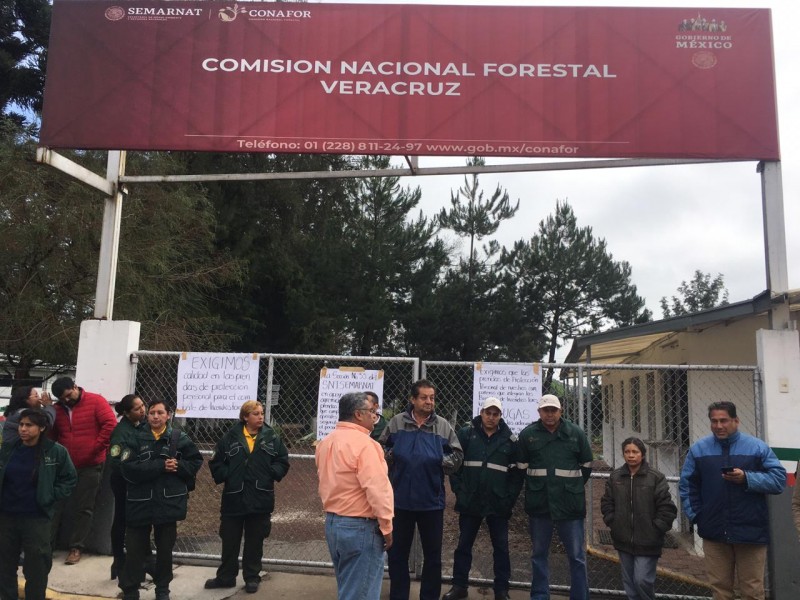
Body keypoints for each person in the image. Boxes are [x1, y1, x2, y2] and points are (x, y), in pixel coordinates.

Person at [679, 401, 785, 600]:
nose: (719, 426)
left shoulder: (757, 448)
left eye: (724, 421)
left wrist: (747, 478)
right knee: (720, 590)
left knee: (752, 590)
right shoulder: (698, 450)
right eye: (714, 421)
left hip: (750, 531)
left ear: (736, 421)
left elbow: (779, 481)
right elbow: (687, 486)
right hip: (714, 532)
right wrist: (698, 516)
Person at [379, 379, 463, 600]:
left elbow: (457, 455)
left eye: (432, 398)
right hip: (400, 502)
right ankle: (398, 596)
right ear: (412, 399)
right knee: (397, 555)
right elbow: (381, 448)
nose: (429, 402)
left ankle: (429, 596)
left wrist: (438, 460)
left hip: (431, 502)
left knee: (433, 557)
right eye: (424, 397)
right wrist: (391, 456)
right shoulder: (396, 423)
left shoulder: (443, 426)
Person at [117, 400, 203, 600]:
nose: (155, 416)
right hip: (140, 504)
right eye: (152, 413)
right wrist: (159, 466)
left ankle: (162, 589)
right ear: (147, 416)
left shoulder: (179, 438)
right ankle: (130, 589)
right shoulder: (135, 438)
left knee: (165, 551)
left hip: (168, 504)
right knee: (134, 549)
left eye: (160, 412)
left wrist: (179, 466)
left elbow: (196, 461)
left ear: (168, 415)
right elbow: (127, 468)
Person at [205, 400, 290, 593]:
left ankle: (252, 577)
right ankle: (226, 576)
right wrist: (229, 474)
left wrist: (271, 473)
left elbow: (282, 461)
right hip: (234, 498)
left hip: (260, 498)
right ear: (245, 417)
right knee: (229, 539)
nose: (261, 417)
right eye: (256, 414)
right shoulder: (231, 437)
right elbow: (216, 462)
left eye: (262, 413)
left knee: (255, 540)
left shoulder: (271, 437)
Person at [316, 392, 394, 600]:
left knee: (349, 588)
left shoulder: (326, 442)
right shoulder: (366, 445)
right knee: (362, 593)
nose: (375, 416)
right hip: (361, 527)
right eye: (372, 412)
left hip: (334, 524)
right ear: (358, 414)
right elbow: (377, 489)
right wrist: (386, 526)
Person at [443, 397, 522, 600]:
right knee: (463, 546)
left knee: (501, 548)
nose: (491, 417)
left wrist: (508, 499)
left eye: (495, 414)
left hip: (498, 503)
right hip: (471, 501)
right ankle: (459, 586)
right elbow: (455, 465)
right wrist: (460, 490)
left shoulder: (509, 440)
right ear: (481, 413)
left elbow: (516, 474)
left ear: (500, 416)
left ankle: (501, 590)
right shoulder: (466, 434)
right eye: (488, 413)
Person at [517, 393, 593, 600]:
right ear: (539, 412)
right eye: (546, 410)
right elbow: (522, 467)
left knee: (577, 556)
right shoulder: (528, 435)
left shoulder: (575, 433)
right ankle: (540, 595)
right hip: (540, 504)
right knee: (539, 554)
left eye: (553, 410)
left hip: (570, 505)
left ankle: (579, 596)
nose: (550, 414)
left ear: (561, 411)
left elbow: (586, 465)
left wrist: (570, 486)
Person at [0, 408, 77, 600]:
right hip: (7, 516)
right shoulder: (9, 449)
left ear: (42, 428)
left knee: (37, 566)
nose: (23, 429)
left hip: (36, 517)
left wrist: (50, 495)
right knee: (4, 564)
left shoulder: (55, 451)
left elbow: (69, 479)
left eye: (29, 425)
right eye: (21, 424)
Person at [49, 376, 117, 564]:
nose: (67, 400)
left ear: (75, 387)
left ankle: (76, 547)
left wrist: (95, 448)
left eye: (69, 395)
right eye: (62, 399)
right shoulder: (58, 409)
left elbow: (110, 425)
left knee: (84, 507)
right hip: (64, 465)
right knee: (55, 505)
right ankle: (47, 545)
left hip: (91, 464)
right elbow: (52, 433)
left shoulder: (96, 401)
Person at [600, 437, 677, 600]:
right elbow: (607, 502)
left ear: (642, 454)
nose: (631, 455)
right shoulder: (615, 477)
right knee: (629, 583)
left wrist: (656, 528)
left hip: (648, 540)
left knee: (642, 580)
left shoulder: (655, 478)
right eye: (627, 452)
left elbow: (666, 507)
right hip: (623, 538)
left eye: (635, 452)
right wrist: (613, 521)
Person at [108, 394, 147, 580]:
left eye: (142, 405)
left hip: (136, 480)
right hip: (123, 480)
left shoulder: (139, 425)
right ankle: (118, 559)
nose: (142, 410)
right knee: (122, 518)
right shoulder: (121, 431)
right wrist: (133, 465)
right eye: (137, 408)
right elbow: (116, 458)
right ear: (127, 413)